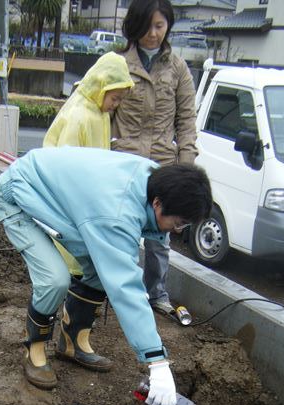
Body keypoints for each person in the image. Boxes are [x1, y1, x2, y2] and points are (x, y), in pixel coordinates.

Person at [0, 146, 212, 405]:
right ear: (157, 204)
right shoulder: (117, 212)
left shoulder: (155, 182)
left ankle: (72, 343)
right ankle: (34, 351)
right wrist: (157, 360)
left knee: (98, 269)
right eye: (178, 223)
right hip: (20, 194)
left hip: (57, 197)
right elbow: (126, 287)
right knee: (54, 280)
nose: (177, 231)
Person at [111, 0, 198, 317]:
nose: (153, 33)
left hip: (163, 166)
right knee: (123, 232)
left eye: (159, 26)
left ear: (169, 27)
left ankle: (155, 293)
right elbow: (102, 111)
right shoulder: (117, 63)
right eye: (147, 26)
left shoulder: (177, 69)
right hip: (124, 163)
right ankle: (119, 292)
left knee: (159, 238)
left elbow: (187, 123)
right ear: (134, 26)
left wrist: (186, 172)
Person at [43, 51, 134, 276]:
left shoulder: (99, 113)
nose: (116, 104)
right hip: (71, 204)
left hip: (87, 202)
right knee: (67, 264)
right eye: (115, 98)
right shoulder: (80, 116)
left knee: (80, 264)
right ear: (100, 87)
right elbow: (65, 169)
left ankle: (71, 306)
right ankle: (64, 307)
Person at [43, 51, 134, 150]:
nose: (116, 104)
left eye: (120, 100)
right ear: (101, 89)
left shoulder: (102, 114)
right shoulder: (78, 117)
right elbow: (67, 160)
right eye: (114, 98)